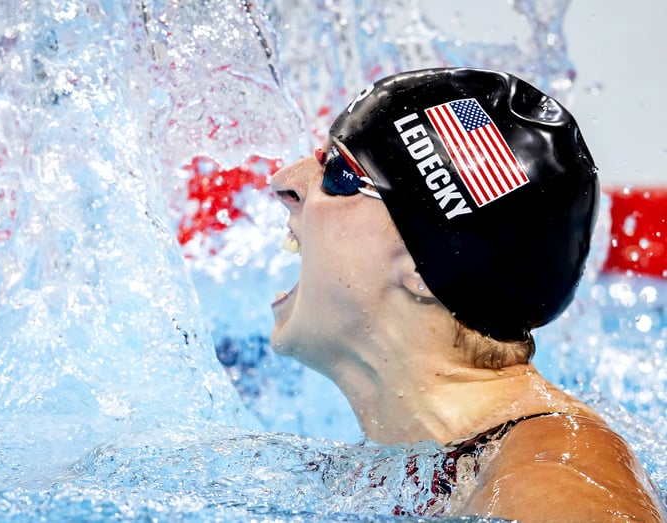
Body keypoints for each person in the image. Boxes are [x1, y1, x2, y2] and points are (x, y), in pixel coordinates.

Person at [269, 68, 666, 522]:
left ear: (423, 263)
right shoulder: (449, 463)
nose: (283, 179)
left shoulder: (556, 470)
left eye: (338, 172)